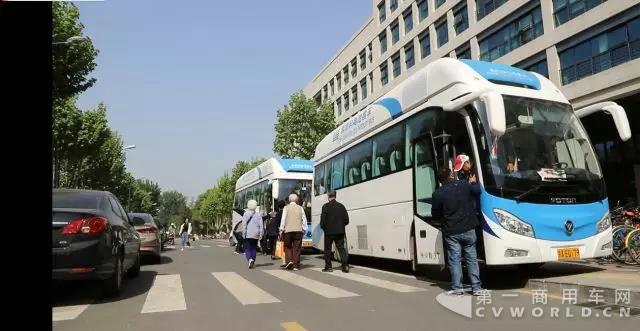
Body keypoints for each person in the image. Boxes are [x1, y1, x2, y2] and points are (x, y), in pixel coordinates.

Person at [432, 166, 484, 296]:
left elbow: (435, 215)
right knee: (471, 258)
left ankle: (457, 288)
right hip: (468, 228)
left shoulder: (438, 193)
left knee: (455, 259)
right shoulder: (464, 185)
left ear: (439, 180)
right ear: (451, 175)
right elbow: (478, 191)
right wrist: (473, 182)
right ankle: (476, 287)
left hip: (452, 231)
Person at [320, 190, 350, 273]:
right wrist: (341, 226)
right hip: (340, 231)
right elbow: (347, 220)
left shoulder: (325, 206)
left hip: (329, 232)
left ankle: (328, 267)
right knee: (341, 248)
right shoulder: (341, 206)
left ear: (328, 196)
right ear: (335, 196)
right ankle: (345, 266)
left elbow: (322, 221)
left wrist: (324, 228)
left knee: (328, 249)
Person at [279, 194, 307, 271]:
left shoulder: (286, 208)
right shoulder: (300, 208)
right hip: (298, 230)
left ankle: (289, 261)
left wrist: (281, 230)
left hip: (288, 231)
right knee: (297, 248)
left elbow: (283, 219)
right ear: (297, 200)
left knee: (288, 247)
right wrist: (304, 229)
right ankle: (296, 265)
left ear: (289, 200)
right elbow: (304, 219)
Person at [242, 199, 263, 269]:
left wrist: (243, 234)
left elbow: (244, 225)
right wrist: (261, 234)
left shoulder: (245, 214)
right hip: (256, 234)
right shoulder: (259, 214)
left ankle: (250, 259)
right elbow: (261, 226)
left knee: (247, 248)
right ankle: (253, 260)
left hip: (248, 234)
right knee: (254, 248)